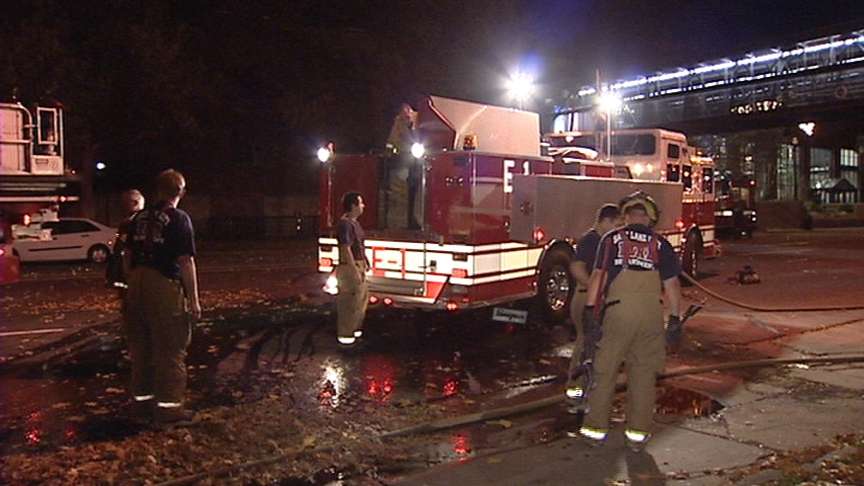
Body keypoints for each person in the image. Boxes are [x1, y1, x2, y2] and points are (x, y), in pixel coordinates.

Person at [575, 191, 682, 452]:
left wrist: (590, 310)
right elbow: (672, 284)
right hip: (650, 316)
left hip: (618, 313)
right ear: (650, 218)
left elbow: (599, 276)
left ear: (626, 216)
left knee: (605, 369)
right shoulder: (661, 245)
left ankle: (595, 430)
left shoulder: (612, 240)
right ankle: (638, 434)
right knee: (644, 375)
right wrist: (676, 318)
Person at [123, 169, 202, 426]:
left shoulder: (138, 218)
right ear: (181, 192)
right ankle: (169, 410)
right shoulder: (179, 219)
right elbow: (186, 261)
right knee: (170, 349)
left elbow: (127, 256)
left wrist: (132, 285)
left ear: (157, 190)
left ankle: (141, 407)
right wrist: (194, 300)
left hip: (136, 283)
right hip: (163, 286)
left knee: (141, 348)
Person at [565, 203, 621, 403]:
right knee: (585, 343)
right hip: (586, 297)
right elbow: (577, 267)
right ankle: (575, 389)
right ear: (606, 221)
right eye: (616, 224)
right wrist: (594, 288)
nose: (618, 229)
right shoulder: (592, 240)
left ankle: (587, 386)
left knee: (593, 343)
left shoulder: (602, 240)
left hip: (593, 297)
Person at [336, 192, 370, 348]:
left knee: (360, 301)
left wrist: (366, 262)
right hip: (350, 267)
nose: (363, 206)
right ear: (353, 206)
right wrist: (354, 271)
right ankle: (346, 340)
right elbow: (346, 248)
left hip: (359, 265)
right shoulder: (345, 224)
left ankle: (355, 333)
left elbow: (359, 245)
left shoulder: (354, 223)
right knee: (349, 304)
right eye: (360, 203)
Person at [106, 189, 145, 290]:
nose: (122, 206)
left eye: (125, 203)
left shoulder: (132, 222)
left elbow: (122, 247)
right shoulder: (132, 221)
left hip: (132, 268)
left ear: (135, 203)